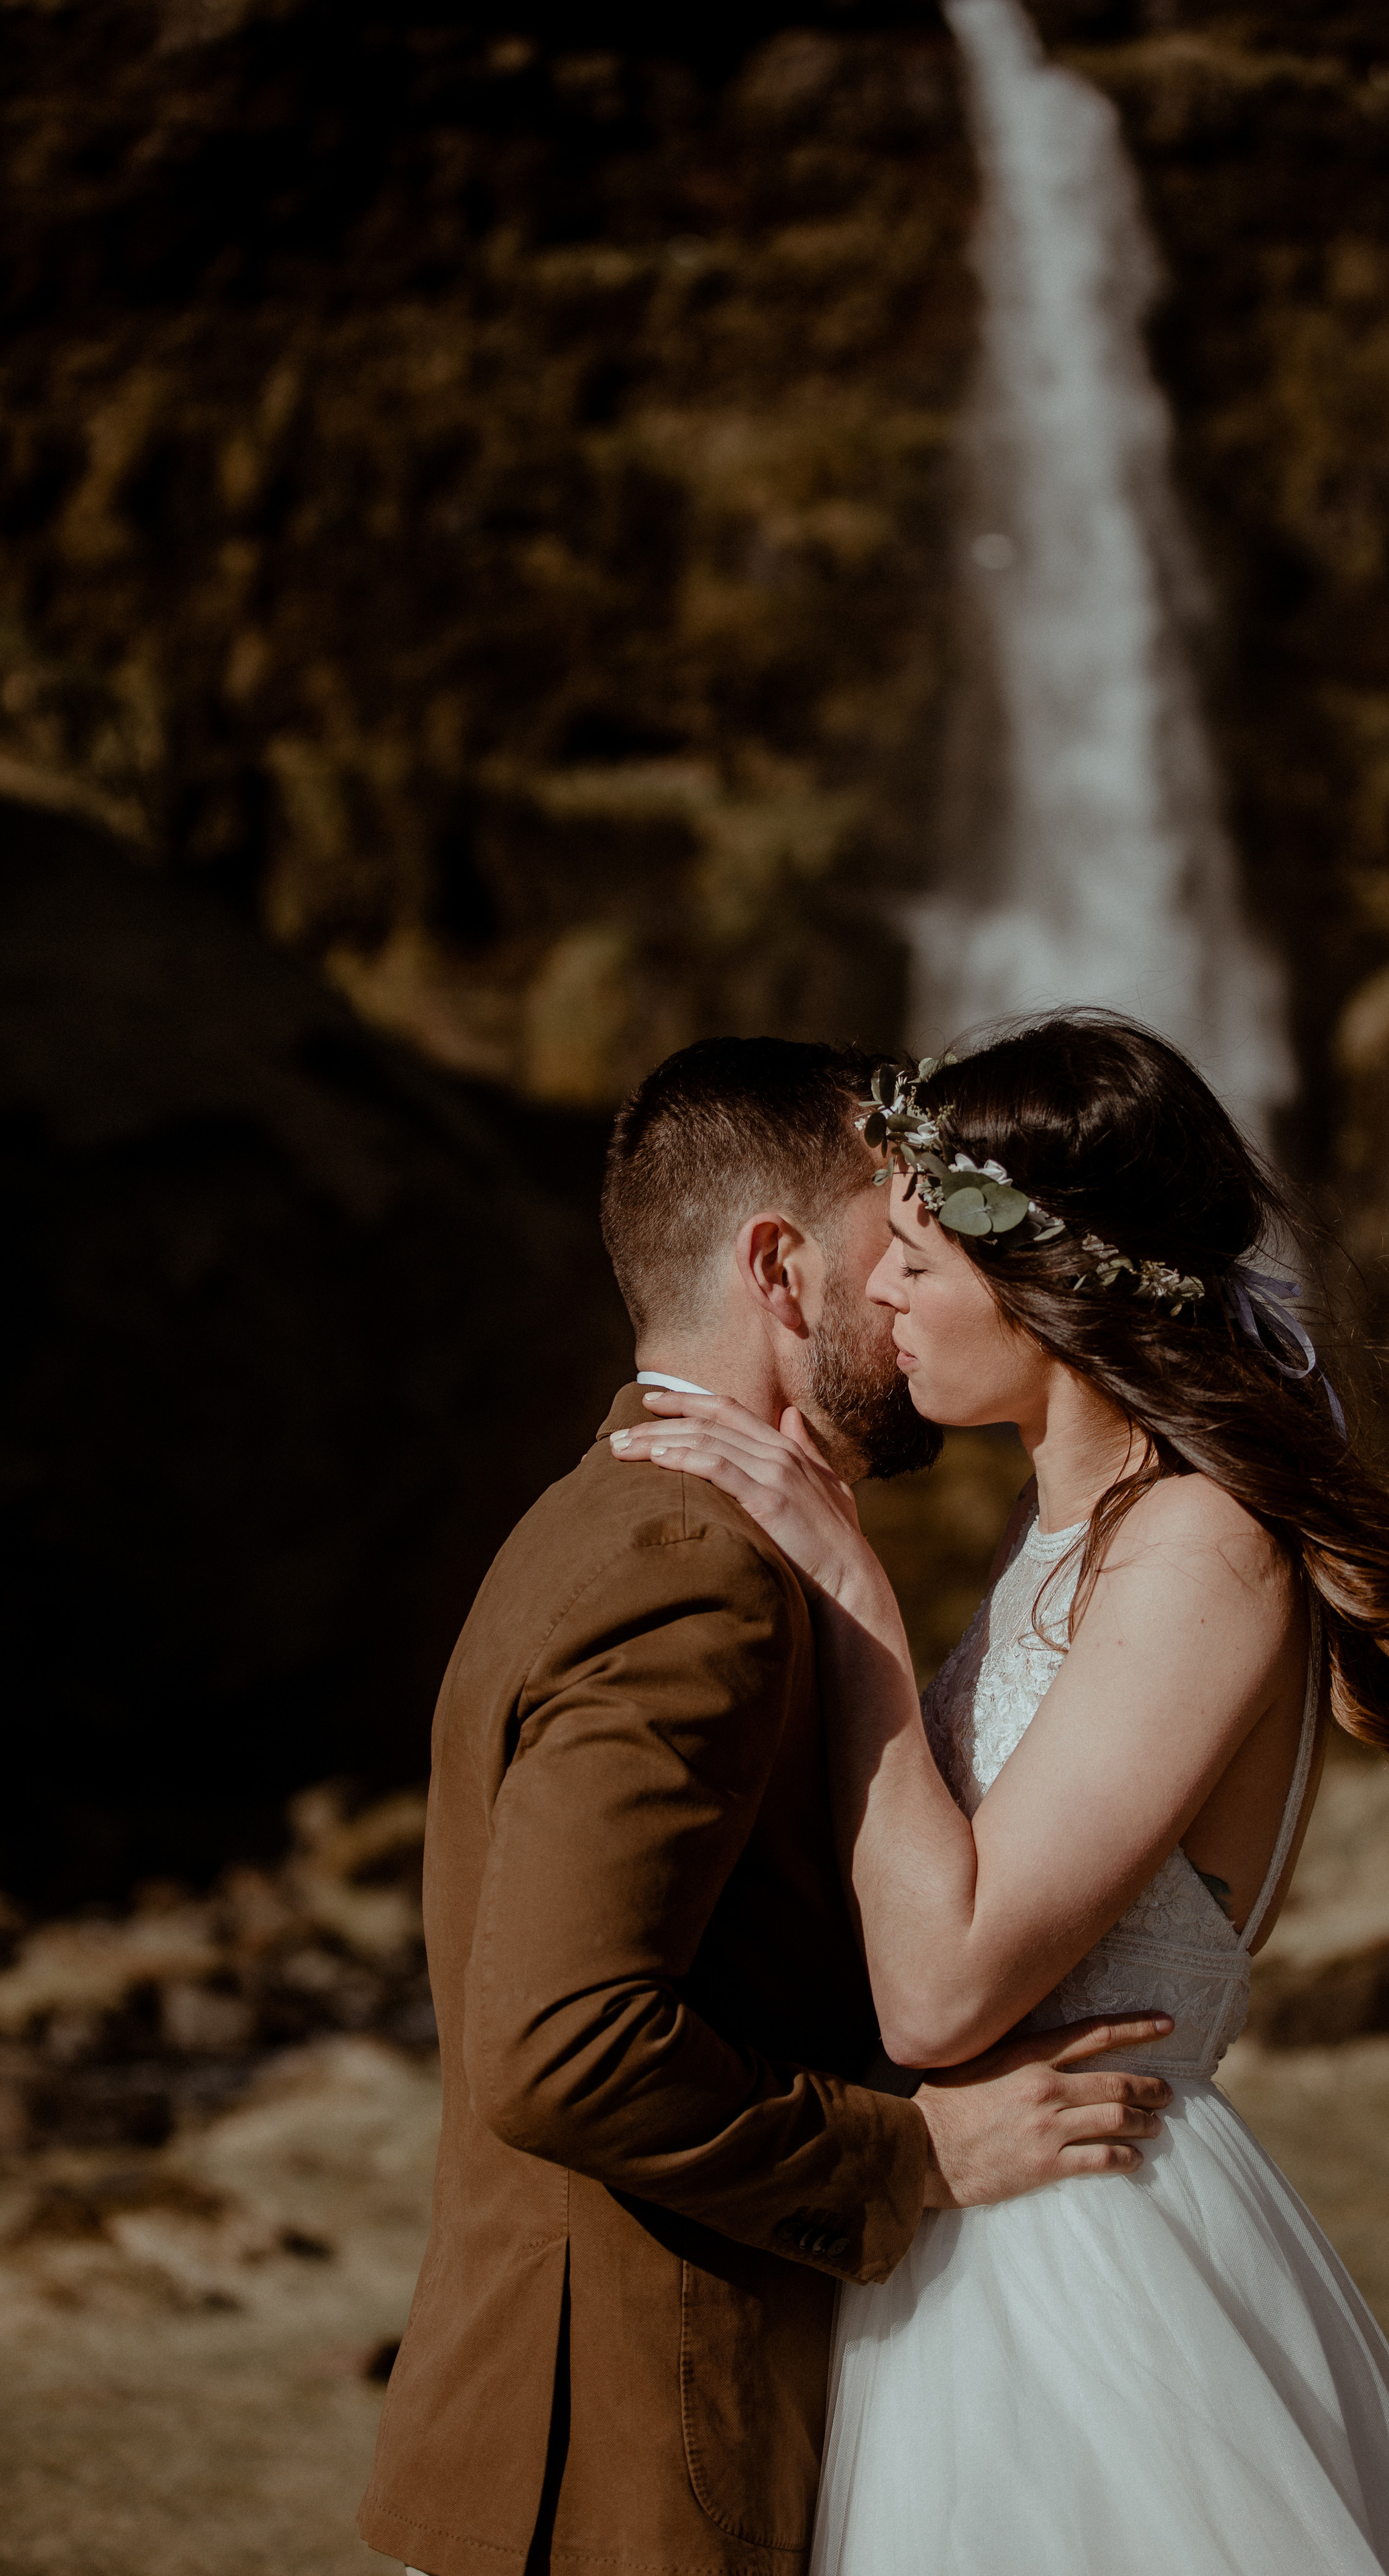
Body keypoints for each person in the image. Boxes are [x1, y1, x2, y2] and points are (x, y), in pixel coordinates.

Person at [617, 1012, 1389, 2576]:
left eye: (913, 1250)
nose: (877, 1290)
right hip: (987, 2219)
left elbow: (942, 1990)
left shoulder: (1196, 1550)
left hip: (1088, 2259)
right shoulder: (1071, 1541)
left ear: (1046, 1277)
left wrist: (855, 1608)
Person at [357, 1035, 1175, 2576]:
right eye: (895, 1243)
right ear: (780, 1270)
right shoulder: (692, 1564)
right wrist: (915, 2160)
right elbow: (560, 2046)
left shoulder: (600, 1511)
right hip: (638, 2464)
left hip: (574, 2442)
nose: (918, 1292)